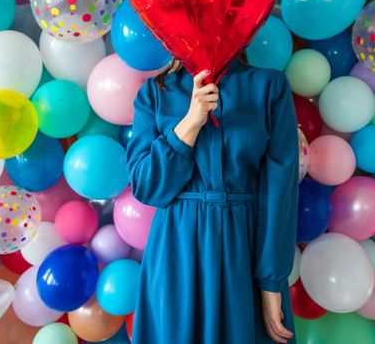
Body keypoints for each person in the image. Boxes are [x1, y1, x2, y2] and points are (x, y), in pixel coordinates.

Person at [126, 54, 300, 344]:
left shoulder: (269, 87)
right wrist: (190, 123)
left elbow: (281, 190)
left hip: (244, 251)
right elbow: (147, 187)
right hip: (177, 253)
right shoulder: (155, 92)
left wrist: (271, 282)